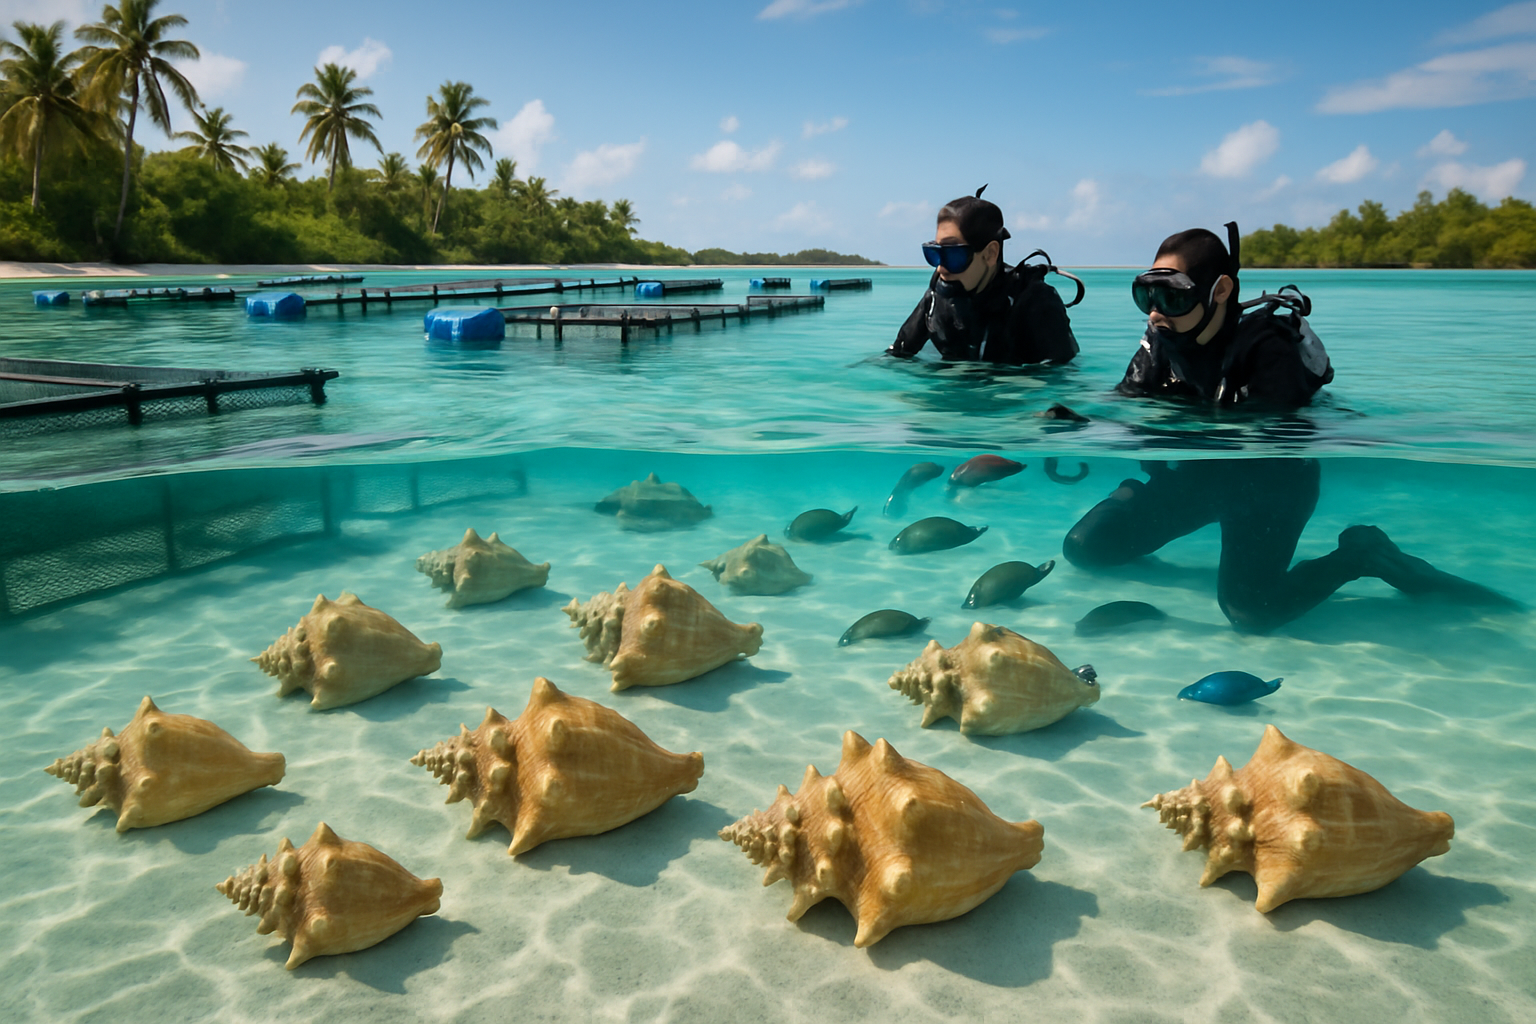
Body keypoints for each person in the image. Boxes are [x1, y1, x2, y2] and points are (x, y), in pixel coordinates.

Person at [1062, 222, 1515, 633]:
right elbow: (1123, 402)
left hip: (1267, 492)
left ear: (1220, 291)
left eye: (1172, 296)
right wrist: (1072, 421)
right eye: (1147, 296)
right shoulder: (1160, 342)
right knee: (1087, 548)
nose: (1155, 313)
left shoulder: (1266, 349)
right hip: (1195, 481)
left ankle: (1360, 554)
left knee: (1252, 611)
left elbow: (1268, 435)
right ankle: (1134, 495)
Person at [887, 187, 1080, 365]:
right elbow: (895, 356)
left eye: (954, 255)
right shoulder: (935, 300)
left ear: (990, 254)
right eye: (934, 253)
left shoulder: (1035, 302)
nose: (941, 269)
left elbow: (1061, 380)